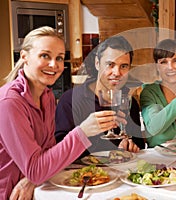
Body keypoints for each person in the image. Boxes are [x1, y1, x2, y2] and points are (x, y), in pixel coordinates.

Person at [0, 26, 120, 199]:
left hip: (35, 190)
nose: (53, 65)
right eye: (45, 56)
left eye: (59, 58)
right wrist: (83, 132)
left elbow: (47, 154)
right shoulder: (9, 103)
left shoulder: (46, 96)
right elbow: (36, 170)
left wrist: (31, 179)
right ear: (24, 57)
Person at [55, 35, 145, 157]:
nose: (117, 73)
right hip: (80, 173)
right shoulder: (70, 100)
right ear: (97, 63)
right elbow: (59, 150)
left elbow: (139, 144)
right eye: (110, 65)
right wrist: (86, 132)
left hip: (120, 173)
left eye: (123, 66)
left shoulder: (129, 102)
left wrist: (129, 145)